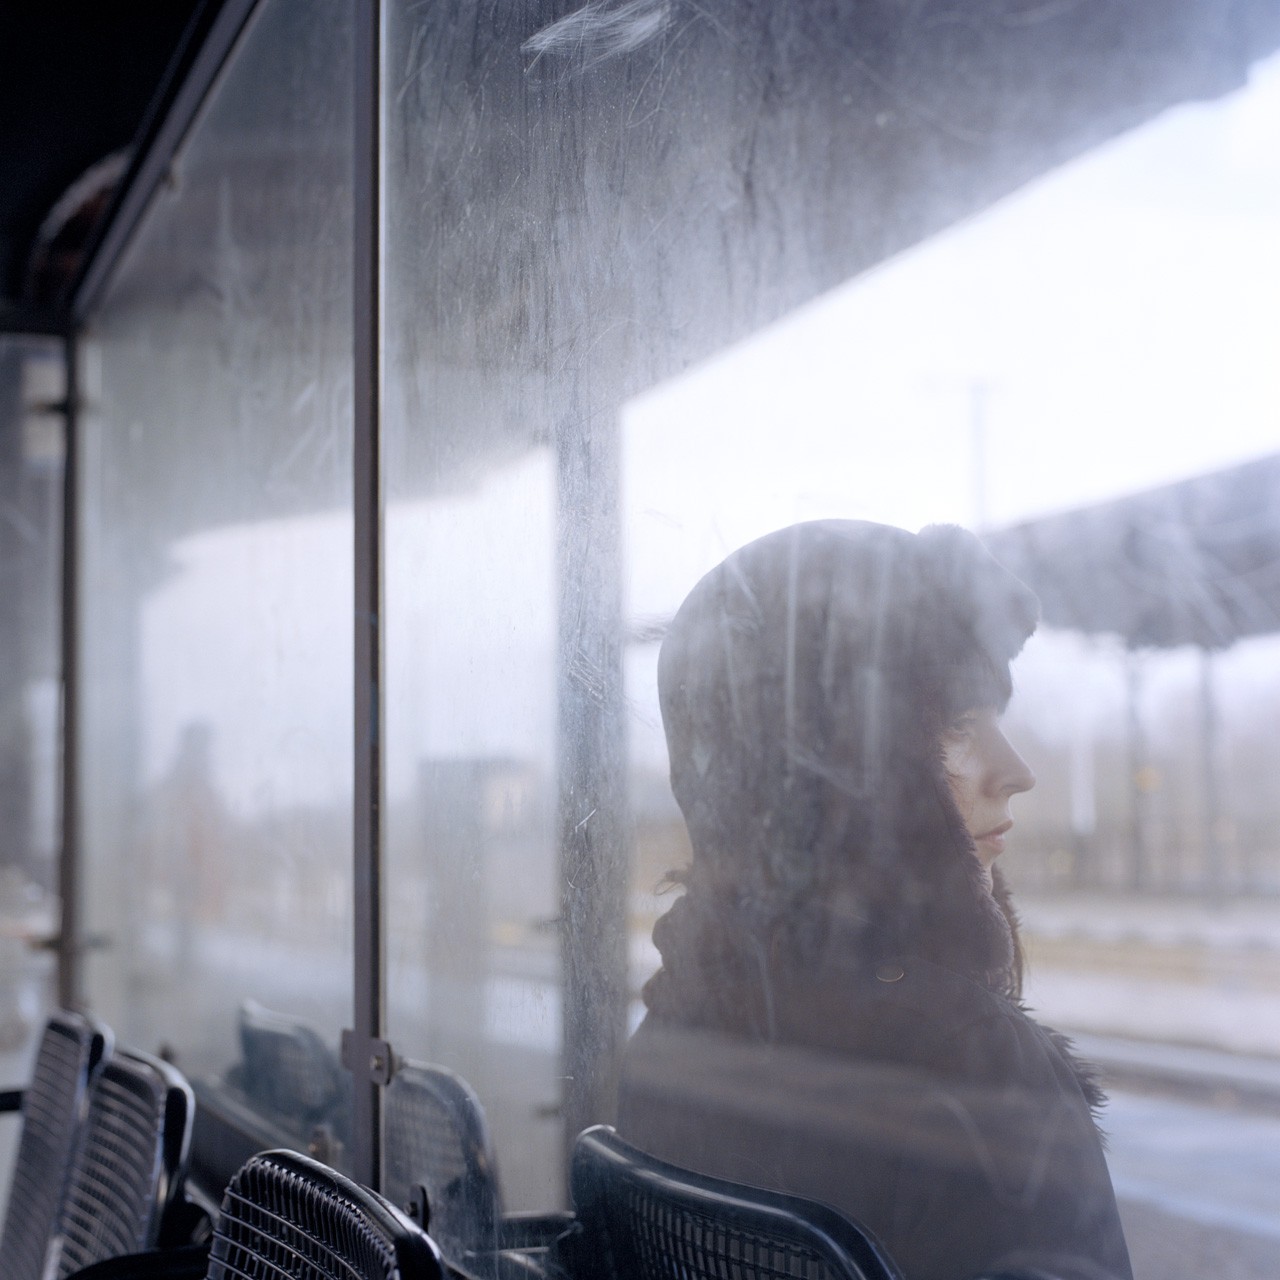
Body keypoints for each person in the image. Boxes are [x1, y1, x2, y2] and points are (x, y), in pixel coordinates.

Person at [617, 520, 1132, 1280]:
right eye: (956, 728)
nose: (1015, 768)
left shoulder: (670, 1038)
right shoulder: (974, 1072)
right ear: (850, 775)